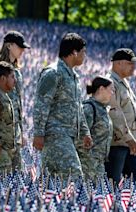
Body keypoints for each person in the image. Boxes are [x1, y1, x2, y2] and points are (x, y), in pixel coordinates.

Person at [32, 33, 92, 179]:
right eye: (83, 52)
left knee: (51, 180)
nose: (85, 56)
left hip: (69, 135)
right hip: (55, 135)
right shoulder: (53, 73)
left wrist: (85, 132)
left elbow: (78, 107)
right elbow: (41, 104)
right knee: (74, 175)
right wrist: (38, 133)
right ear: (74, 52)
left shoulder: (73, 76)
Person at [0, 30, 30, 170]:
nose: (22, 51)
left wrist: (21, 132)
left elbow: (18, 105)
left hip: (13, 137)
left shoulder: (16, 72)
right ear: (9, 46)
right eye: (20, 47)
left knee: (15, 182)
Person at [105, 48, 136, 183]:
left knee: (134, 183)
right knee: (112, 184)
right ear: (118, 63)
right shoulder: (110, 83)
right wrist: (129, 139)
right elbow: (114, 113)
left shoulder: (124, 83)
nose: (133, 67)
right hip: (117, 144)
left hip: (129, 144)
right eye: (130, 63)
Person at [77, 76, 114, 181]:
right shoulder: (89, 108)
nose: (112, 93)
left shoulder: (102, 109)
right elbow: (79, 135)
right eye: (111, 89)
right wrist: (89, 154)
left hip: (98, 163)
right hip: (87, 164)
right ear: (101, 89)